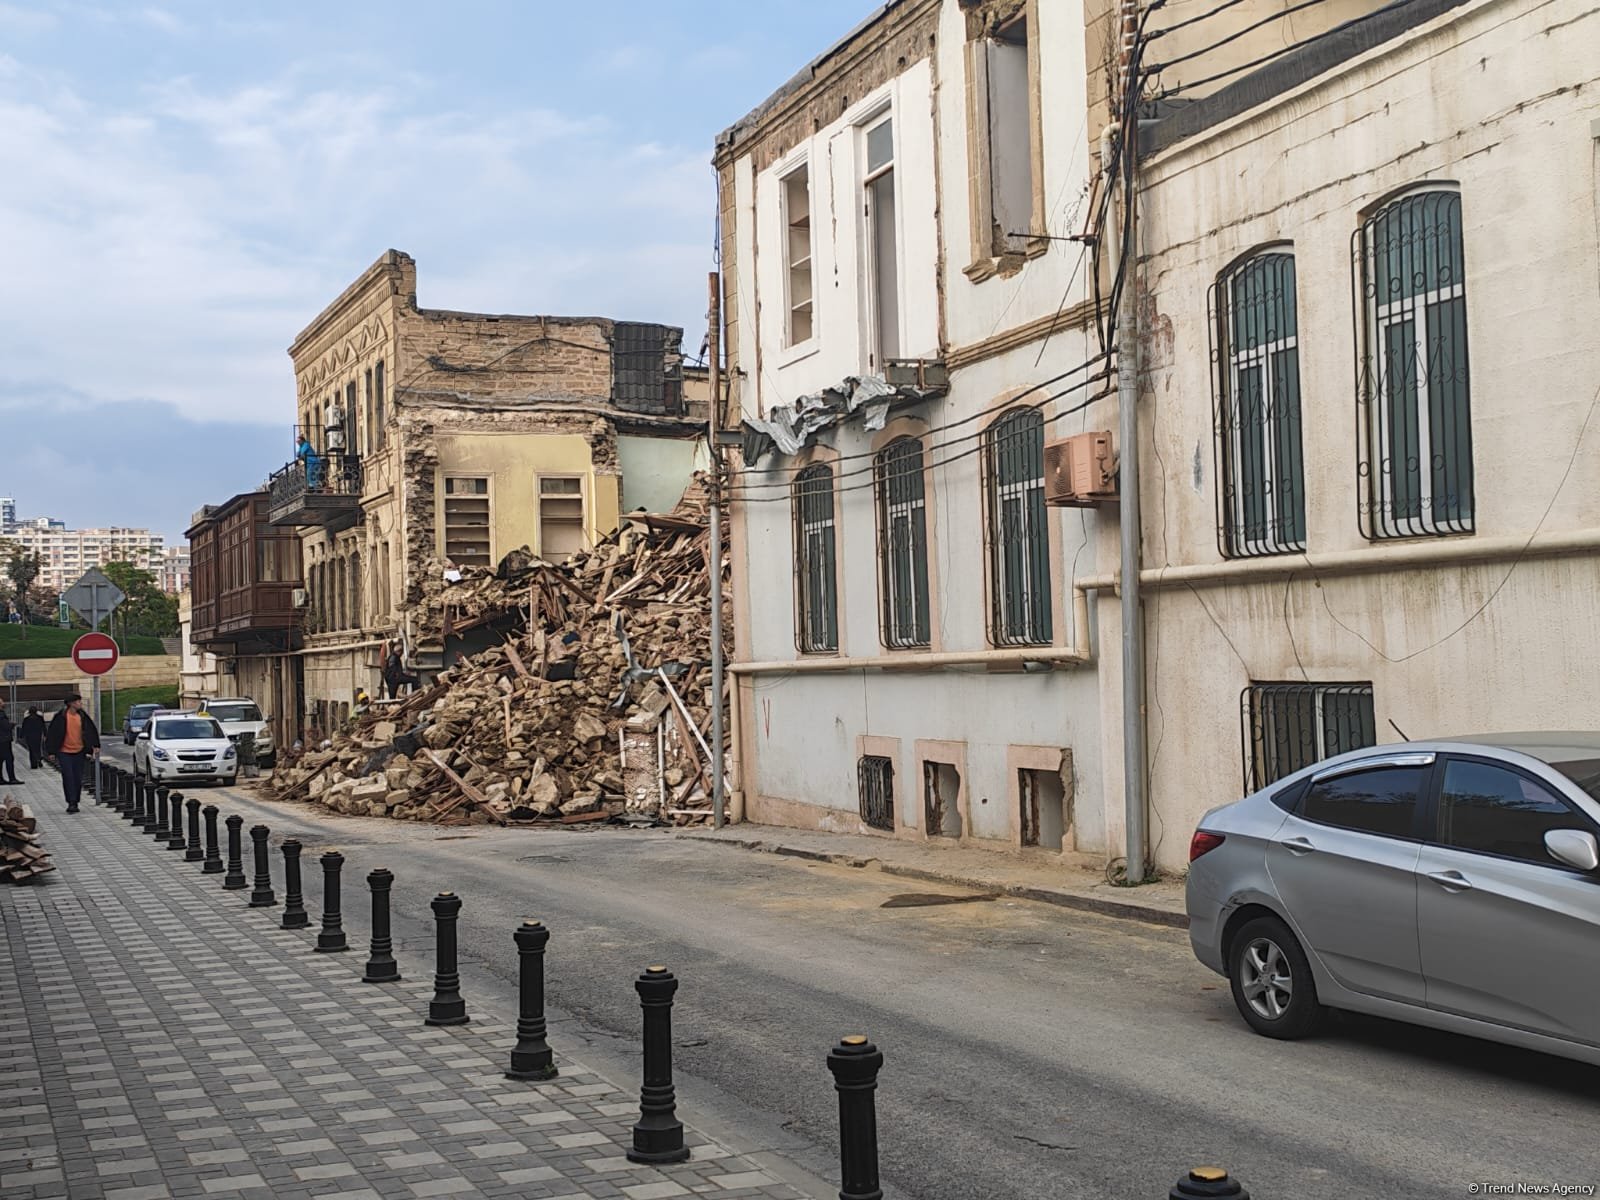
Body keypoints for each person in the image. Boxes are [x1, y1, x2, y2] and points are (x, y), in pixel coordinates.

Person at [45, 695, 100, 813]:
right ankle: (71, 802)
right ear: (71, 703)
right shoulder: (61, 717)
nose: (80, 703)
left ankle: (76, 800)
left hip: (79, 751)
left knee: (77, 778)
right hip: (64, 752)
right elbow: (52, 734)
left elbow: (91, 731)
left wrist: (95, 745)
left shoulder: (83, 716)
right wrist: (51, 751)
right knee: (68, 777)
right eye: (78, 701)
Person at [0, 699, 19, 786]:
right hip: (4, 740)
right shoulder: (1, 714)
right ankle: (12, 778)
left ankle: (1, 779)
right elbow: (5, 727)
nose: (4, 703)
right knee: (9, 759)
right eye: (2, 702)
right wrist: (12, 724)